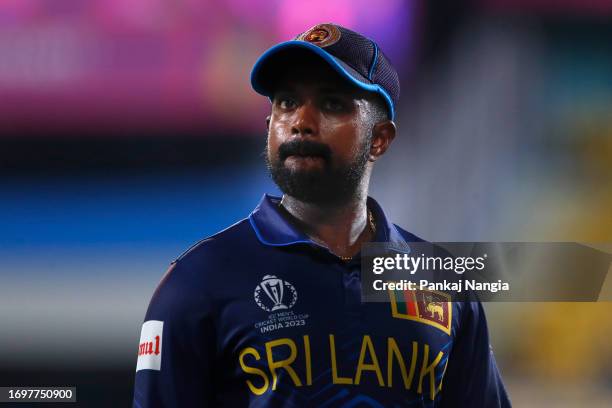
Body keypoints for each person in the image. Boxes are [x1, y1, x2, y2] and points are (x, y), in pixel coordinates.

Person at [133, 23, 511, 407]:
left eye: (331, 104)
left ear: (379, 139)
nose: (300, 122)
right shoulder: (199, 280)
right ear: (269, 127)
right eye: (286, 102)